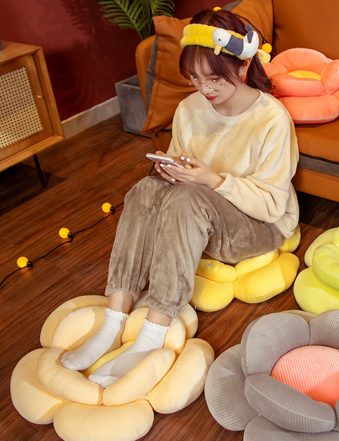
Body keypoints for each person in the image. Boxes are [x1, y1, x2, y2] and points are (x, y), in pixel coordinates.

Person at [61, 8, 299, 387]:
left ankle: (154, 331)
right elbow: (179, 168)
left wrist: (212, 180)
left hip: (260, 225)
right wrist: (171, 170)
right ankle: (114, 319)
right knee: (145, 189)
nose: (205, 89)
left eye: (214, 79)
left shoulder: (272, 119)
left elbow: (271, 205)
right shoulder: (189, 109)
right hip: (202, 211)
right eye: (195, 79)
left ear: (243, 66)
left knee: (189, 198)